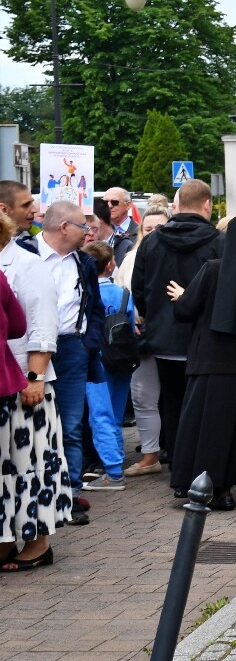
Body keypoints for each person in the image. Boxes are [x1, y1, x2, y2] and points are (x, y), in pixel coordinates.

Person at [166, 215, 236, 511]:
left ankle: (218, 489)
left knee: (212, 429)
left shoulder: (211, 270)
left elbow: (185, 310)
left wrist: (183, 295)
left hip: (211, 362)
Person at [133, 180, 223, 479]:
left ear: (176, 205)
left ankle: (177, 466)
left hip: (164, 339)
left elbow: (139, 290)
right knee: (205, 406)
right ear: (207, 204)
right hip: (204, 338)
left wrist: (155, 317)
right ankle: (202, 466)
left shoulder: (151, 241)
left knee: (171, 402)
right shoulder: (217, 242)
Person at [0, 212, 74, 569]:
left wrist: (35, 375)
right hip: (5, 382)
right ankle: (7, 538)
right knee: (7, 468)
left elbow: (43, 321)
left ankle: (38, 541)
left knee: (31, 463)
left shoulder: (28, 264)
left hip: (24, 380)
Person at [37, 201, 105, 507]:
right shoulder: (28, 254)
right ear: (65, 227)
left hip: (72, 347)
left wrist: (87, 342)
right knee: (33, 422)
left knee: (72, 423)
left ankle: (71, 492)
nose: (88, 232)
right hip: (32, 350)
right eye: (83, 226)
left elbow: (96, 308)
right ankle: (38, 490)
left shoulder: (84, 262)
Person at [115, 205, 170, 477]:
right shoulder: (131, 258)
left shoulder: (177, 256)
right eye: (148, 229)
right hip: (142, 338)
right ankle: (150, 455)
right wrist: (131, 318)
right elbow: (120, 292)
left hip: (174, 339)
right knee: (143, 397)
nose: (154, 234)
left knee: (175, 398)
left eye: (160, 228)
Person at [77, 242, 134, 492]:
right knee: (116, 413)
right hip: (121, 358)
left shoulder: (84, 293)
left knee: (100, 415)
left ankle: (113, 471)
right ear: (111, 264)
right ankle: (117, 459)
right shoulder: (124, 294)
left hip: (96, 358)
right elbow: (132, 326)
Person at [0, 181, 41, 254]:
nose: (34, 210)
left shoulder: (42, 239)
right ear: (4, 210)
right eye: (26, 205)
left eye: (32, 203)